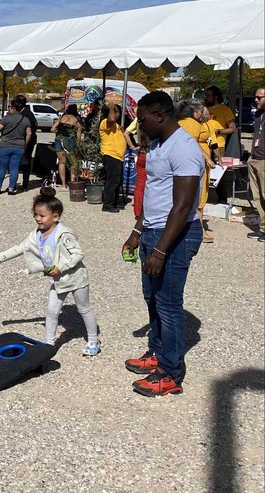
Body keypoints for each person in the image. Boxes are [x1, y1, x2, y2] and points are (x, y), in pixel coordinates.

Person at [122, 91, 204, 397]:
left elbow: (183, 207)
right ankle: (156, 353)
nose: (138, 125)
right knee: (151, 297)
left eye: (141, 119)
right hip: (153, 231)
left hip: (176, 236)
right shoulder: (158, 144)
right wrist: (137, 230)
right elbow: (155, 194)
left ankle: (170, 373)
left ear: (159, 115)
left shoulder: (184, 149)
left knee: (168, 305)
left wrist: (160, 250)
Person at [0, 186, 101, 356]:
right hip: (58, 281)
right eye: (35, 215)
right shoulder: (35, 236)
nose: (38, 218)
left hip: (76, 278)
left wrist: (61, 267)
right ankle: (49, 343)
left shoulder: (64, 234)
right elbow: (18, 249)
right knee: (51, 311)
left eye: (42, 216)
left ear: (56, 217)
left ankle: (93, 340)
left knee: (84, 309)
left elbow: (78, 254)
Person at [177, 99, 217, 243]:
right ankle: (197, 230)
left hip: (188, 161)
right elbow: (192, 142)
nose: (202, 113)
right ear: (194, 112)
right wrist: (208, 158)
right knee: (198, 195)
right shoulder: (191, 123)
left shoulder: (184, 122)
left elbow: (212, 141)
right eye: (200, 111)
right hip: (195, 162)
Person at [204, 85, 238, 202]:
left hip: (219, 145)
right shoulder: (203, 109)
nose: (206, 98)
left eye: (208, 95)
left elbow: (233, 129)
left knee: (219, 172)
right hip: (204, 144)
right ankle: (204, 197)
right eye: (205, 95)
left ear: (216, 97)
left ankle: (222, 198)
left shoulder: (225, 110)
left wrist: (218, 131)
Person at [0, 95, 31, 195]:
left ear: (14, 108)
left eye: (10, 107)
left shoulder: (6, 118)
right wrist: (25, 143)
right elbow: (29, 133)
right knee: (14, 168)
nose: (9, 108)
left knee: (2, 167)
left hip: (5, 144)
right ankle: (11, 188)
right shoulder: (25, 119)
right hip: (19, 146)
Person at [99, 104, 127, 213]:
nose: (116, 114)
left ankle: (114, 202)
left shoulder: (117, 126)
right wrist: (111, 107)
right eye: (115, 111)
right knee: (112, 182)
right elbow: (111, 118)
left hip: (118, 157)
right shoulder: (105, 123)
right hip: (111, 155)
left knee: (117, 181)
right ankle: (108, 204)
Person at [246, 86, 265, 242]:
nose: (256, 100)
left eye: (260, 97)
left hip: (264, 160)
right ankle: (263, 228)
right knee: (257, 196)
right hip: (254, 158)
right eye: (256, 97)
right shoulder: (259, 114)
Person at [50, 104, 83, 190]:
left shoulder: (61, 118)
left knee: (62, 162)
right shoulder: (76, 120)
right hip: (70, 140)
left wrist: (58, 131)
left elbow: (52, 129)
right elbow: (79, 135)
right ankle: (72, 182)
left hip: (59, 139)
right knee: (73, 163)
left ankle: (64, 184)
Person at [19, 96, 38, 192]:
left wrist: (26, 142)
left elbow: (33, 128)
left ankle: (25, 183)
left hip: (26, 140)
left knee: (25, 161)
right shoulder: (28, 113)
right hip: (27, 139)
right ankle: (24, 183)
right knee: (25, 160)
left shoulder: (26, 114)